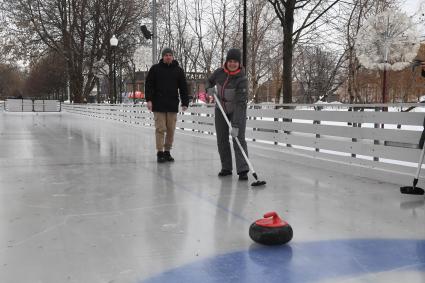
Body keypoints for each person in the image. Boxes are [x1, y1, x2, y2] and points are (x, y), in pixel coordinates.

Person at [205, 48, 249, 181]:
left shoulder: (242, 79)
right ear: (226, 62)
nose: (232, 64)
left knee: (238, 138)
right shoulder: (219, 72)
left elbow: (240, 104)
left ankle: (243, 170)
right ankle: (226, 167)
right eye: (230, 61)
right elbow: (208, 81)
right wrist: (209, 89)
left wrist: (235, 125)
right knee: (222, 139)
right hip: (220, 109)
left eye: (235, 61)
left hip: (237, 109)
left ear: (239, 63)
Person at [145, 48, 189, 163]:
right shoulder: (155, 69)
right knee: (160, 129)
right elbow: (148, 85)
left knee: (170, 130)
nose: (168, 57)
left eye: (170, 55)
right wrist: (149, 100)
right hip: (158, 104)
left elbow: (184, 87)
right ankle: (160, 152)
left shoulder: (178, 71)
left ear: (173, 57)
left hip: (172, 105)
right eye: (166, 55)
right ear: (163, 57)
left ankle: (167, 152)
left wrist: (185, 102)